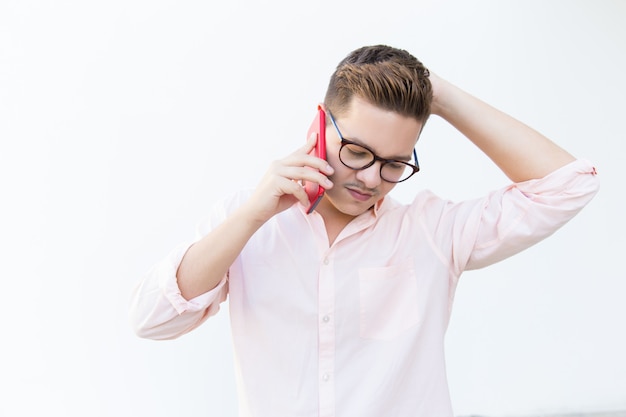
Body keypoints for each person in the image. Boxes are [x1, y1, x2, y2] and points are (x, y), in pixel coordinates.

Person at [129, 44, 599, 417]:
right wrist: (253, 216)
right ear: (318, 125)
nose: (372, 179)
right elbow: (153, 319)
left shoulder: (432, 232)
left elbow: (568, 186)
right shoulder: (247, 221)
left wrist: (439, 96)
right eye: (356, 151)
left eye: (395, 163)